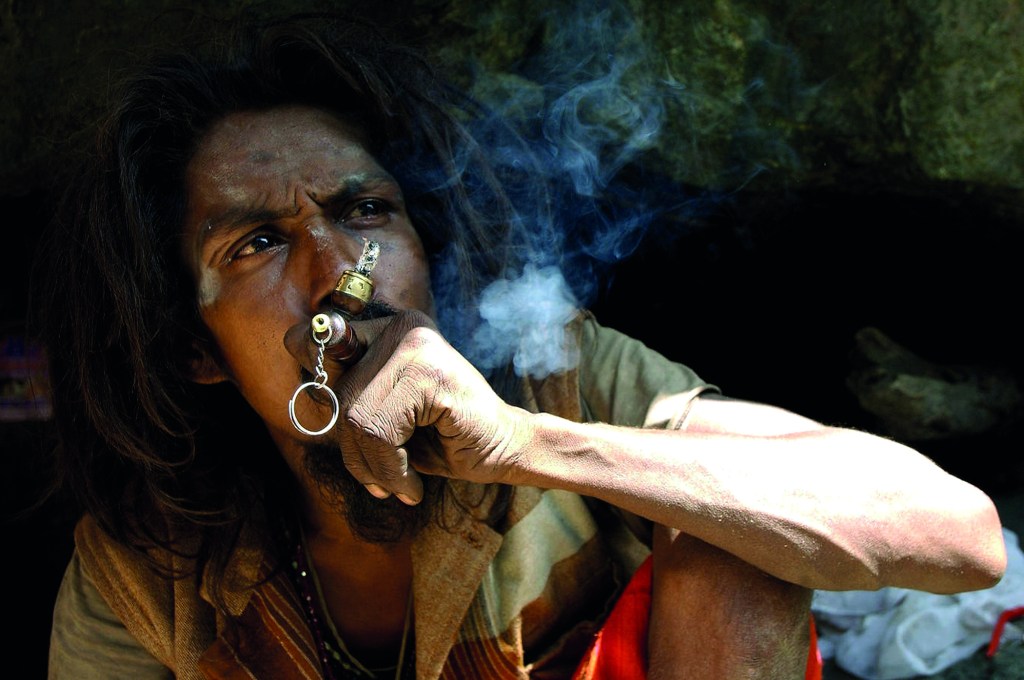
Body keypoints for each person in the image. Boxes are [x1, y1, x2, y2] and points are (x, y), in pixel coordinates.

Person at [35, 13, 1006, 680]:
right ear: (197, 347)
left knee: (731, 530)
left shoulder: (560, 375)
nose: (338, 268)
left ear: (426, 251)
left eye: (365, 209)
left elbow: (957, 536)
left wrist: (522, 442)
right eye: (256, 243)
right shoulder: (150, 565)